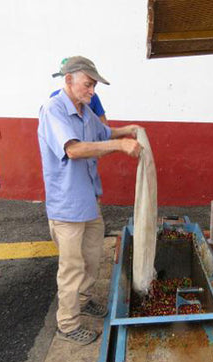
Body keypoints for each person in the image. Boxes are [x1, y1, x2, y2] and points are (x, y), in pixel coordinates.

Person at [38, 56, 141, 346]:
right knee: (71, 267)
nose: (92, 90)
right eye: (88, 84)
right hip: (67, 205)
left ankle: (83, 301)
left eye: (94, 85)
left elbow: (104, 132)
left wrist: (127, 130)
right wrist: (120, 146)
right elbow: (74, 149)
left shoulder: (84, 111)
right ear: (68, 79)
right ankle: (67, 324)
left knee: (92, 256)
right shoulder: (53, 110)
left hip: (88, 200)